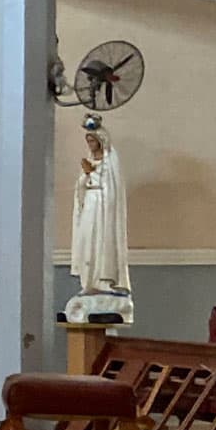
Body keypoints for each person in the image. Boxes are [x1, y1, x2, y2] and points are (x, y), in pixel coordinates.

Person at [70, 116, 130, 300]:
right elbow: (81, 186)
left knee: (102, 241)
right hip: (90, 204)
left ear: (100, 140)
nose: (90, 144)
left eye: (92, 140)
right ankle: (89, 281)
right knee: (88, 239)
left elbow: (112, 187)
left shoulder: (109, 161)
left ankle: (103, 281)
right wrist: (86, 176)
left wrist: (94, 177)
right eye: (87, 141)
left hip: (103, 208)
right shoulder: (88, 161)